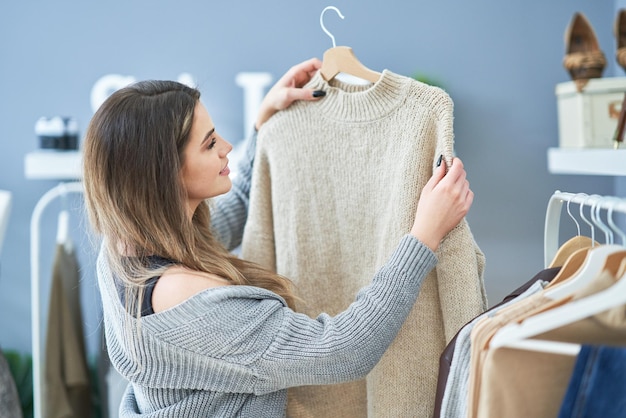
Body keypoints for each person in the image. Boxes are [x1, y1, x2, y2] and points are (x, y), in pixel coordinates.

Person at [83, 57, 473, 417]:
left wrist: (263, 129)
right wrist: (423, 237)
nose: (226, 147)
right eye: (210, 144)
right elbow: (343, 349)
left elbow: (224, 223)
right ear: (164, 175)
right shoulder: (196, 304)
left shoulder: (124, 251)